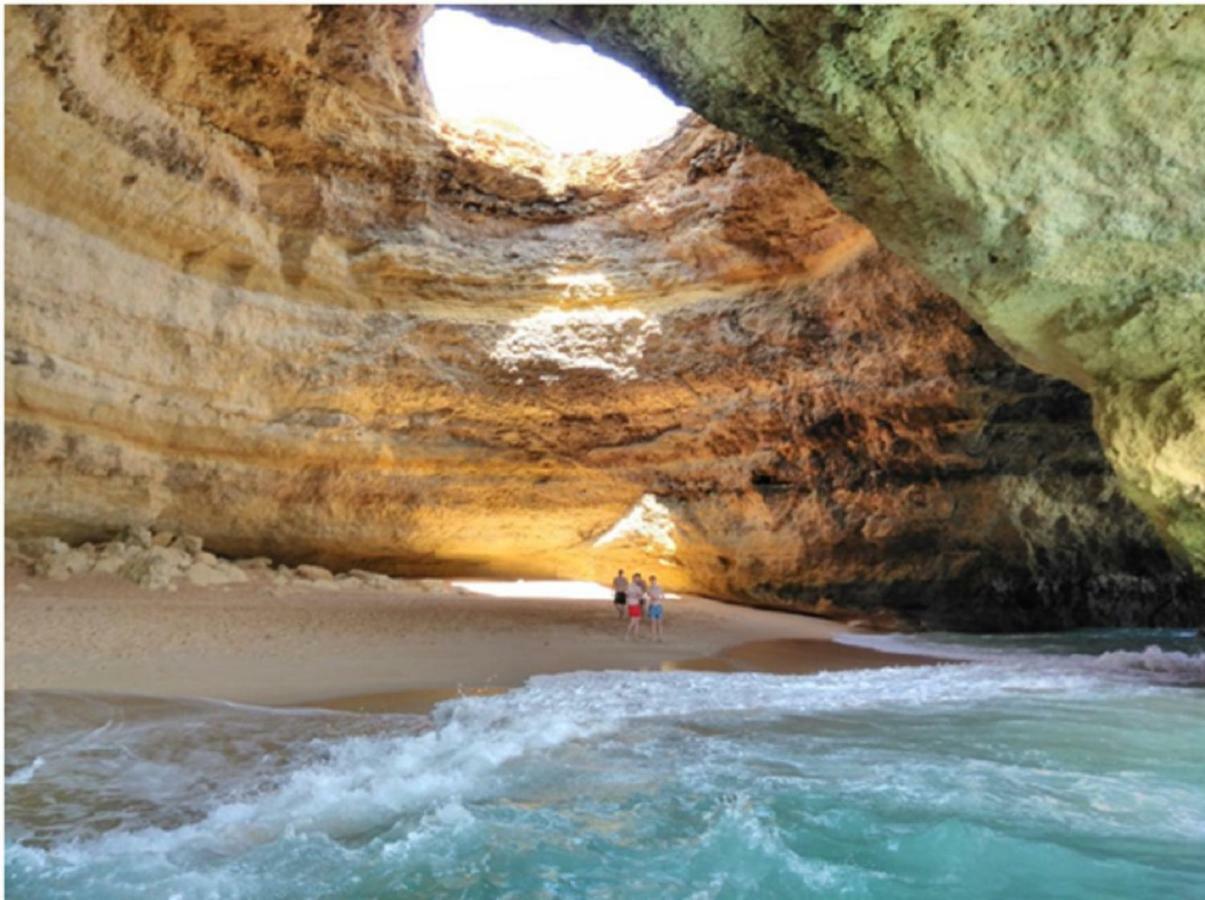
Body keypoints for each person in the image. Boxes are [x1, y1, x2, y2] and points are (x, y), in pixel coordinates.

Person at [647, 575, 666, 642]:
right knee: (653, 623)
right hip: (653, 606)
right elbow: (649, 596)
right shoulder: (649, 588)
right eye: (651, 581)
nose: (653, 582)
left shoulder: (659, 587)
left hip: (658, 606)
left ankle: (660, 637)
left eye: (653, 580)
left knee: (659, 623)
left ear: (655, 580)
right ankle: (653, 637)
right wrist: (654, 598)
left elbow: (663, 597)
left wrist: (658, 598)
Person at [625, 575, 645, 640]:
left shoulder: (637, 587)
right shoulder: (630, 586)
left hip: (636, 604)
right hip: (633, 604)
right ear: (633, 579)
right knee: (633, 621)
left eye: (638, 579)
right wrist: (636, 595)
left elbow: (641, 596)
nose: (637, 580)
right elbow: (628, 595)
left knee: (637, 621)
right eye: (636, 579)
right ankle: (627, 635)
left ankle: (636, 636)